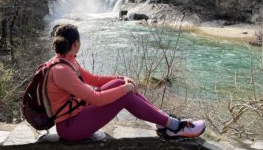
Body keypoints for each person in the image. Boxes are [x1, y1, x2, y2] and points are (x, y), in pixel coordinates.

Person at [47, 24, 205, 141]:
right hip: (71, 128)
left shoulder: (68, 61)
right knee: (125, 95)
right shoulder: (62, 71)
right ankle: (175, 126)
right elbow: (96, 99)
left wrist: (122, 78)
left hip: (77, 114)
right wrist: (126, 88)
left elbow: (93, 79)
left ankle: (163, 121)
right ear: (75, 44)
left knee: (120, 87)